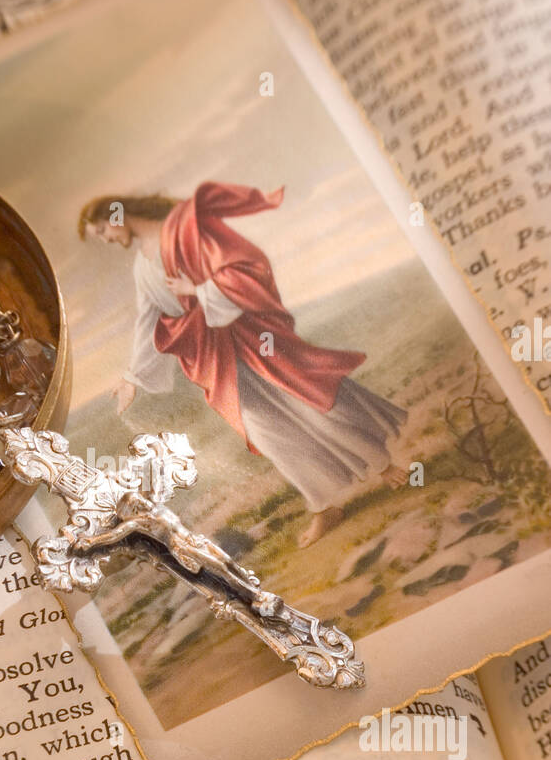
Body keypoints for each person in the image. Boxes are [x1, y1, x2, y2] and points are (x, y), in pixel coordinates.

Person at [79, 181, 407, 547]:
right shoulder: (142, 266)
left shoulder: (187, 227)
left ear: (117, 215)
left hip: (254, 338)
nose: (106, 240)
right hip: (218, 358)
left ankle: (383, 465)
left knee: (309, 397)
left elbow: (249, 266)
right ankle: (325, 505)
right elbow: (149, 320)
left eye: (102, 231)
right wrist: (132, 378)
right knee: (266, 431)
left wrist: (200, 291)